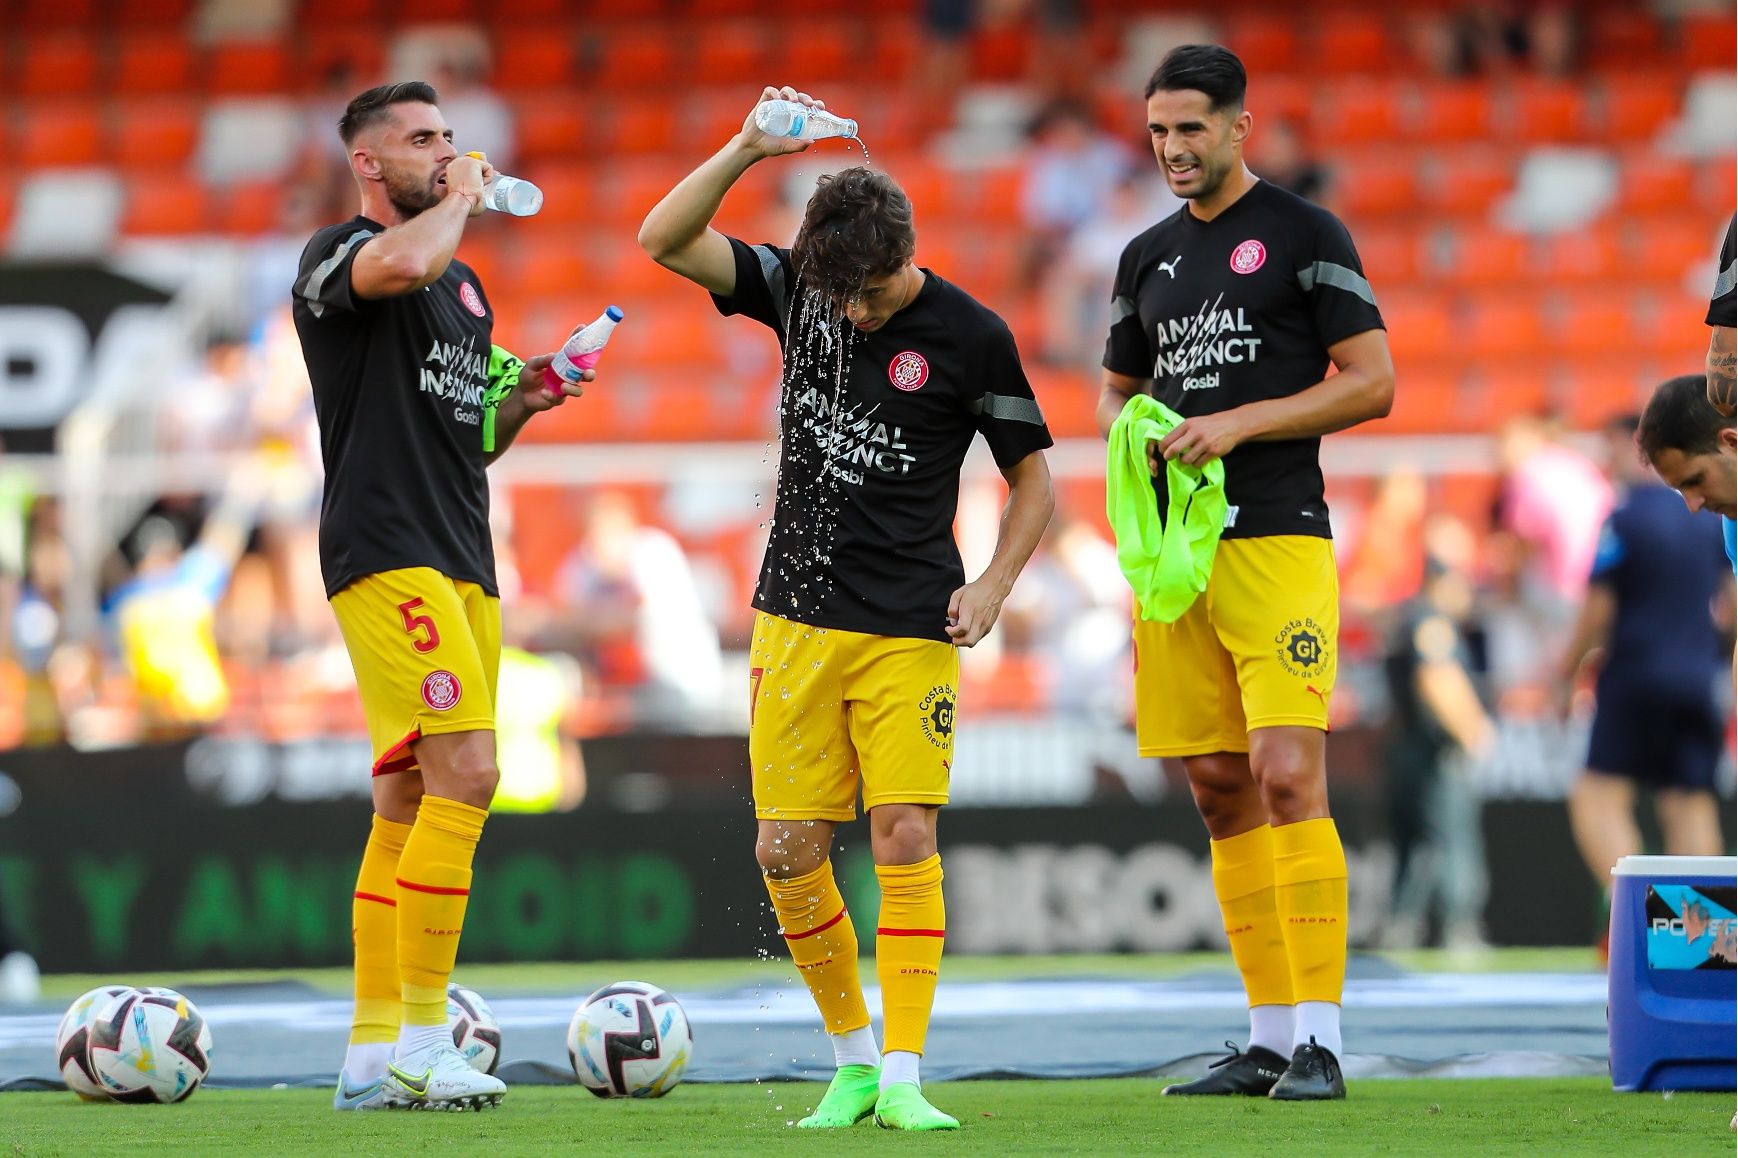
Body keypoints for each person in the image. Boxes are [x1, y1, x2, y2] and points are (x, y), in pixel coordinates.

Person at [638, 85, 1055, 1131]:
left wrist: (994, 585)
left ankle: (909, 1075)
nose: (849, 316)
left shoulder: (972, 336)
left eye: (864, 299)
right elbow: (661, 238)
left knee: (904, 833)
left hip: (914, 623)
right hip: (794, 617)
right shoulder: (802, 290)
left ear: (902, 260)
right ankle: (854, 1061)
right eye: (836, 298)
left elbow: (1035, 479)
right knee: (784, 851)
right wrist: (742, 145)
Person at [1096, 45, 1394, 1101]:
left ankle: (1323, 1042)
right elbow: (1117, 391)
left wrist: (1235, 426)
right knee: (1219, 790)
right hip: (1179, 561)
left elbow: (1371, 384)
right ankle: (1268, 1040)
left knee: (1284, 776)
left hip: (1277, 537)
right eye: (1158, 131)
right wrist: (1132, 437)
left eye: (1191, 129)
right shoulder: (1143, 256)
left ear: (1238, 128)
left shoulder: (1307, 234)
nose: (1173, 149)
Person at [291, 80, 590, 1112]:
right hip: (386, 551)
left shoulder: (465, 293)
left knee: (408, 797)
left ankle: (372, 1058)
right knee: (470, 768)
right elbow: (406, 257)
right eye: (422, 141)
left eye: (450, 139)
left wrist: (534, 395)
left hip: (464, 556)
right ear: (368, 163)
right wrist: (463, 193)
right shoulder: (339, 256)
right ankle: (426, 1036)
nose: (445, 152)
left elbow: (475, 436)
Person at [1556, 406, 1730, 945]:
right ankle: (1709, 944)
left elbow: (1599, 609)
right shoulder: (1711, 516)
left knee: (1598, 796)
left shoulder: (1625, 517)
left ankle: (1635, 919)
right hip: (1699, 677)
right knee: (1690, 802)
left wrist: (1564, 673)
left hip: (1634, 676)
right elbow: (1730, 604)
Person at [1380, 517, 1495, 956]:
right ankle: (1459, 928)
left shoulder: (1407, 616)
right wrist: (1473, 729)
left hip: (1403, 751)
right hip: (1432, 754)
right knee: (1451, 840)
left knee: (1414, 845)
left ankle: (1401, 927)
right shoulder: (1431, 622)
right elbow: (1437, 677)